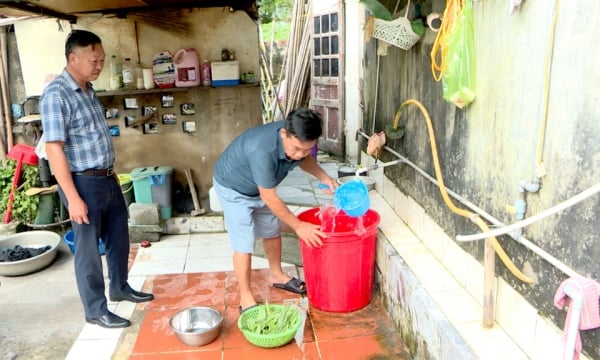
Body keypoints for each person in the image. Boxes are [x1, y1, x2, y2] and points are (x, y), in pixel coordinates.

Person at [40, 30, 153, 329]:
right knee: (88, 250)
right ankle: (95, 309)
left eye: (101, 60)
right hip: (82, 184)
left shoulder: (88, 90)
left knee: (119, 237)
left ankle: (120, 287)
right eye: (94, 60)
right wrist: (73, 197)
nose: (99, 65)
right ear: (73, 58)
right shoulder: (57, 95)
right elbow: (54, 148)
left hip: (106, 178)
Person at [213, 108, 338, 313]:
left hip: (260, 187)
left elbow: (304, 159)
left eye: (307, 149)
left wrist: (325, 177)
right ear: (283, 134)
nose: (299, 154)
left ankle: (277, 274)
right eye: (297, 148)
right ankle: (245, 296)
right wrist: (298, 226)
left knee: (271, 229)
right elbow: (269, 196)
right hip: (233, 187)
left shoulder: (297, 143)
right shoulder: (262, 150)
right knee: (244, 240)